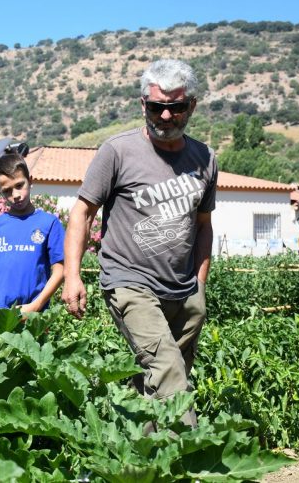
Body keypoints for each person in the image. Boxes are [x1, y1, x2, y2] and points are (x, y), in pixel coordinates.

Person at [62, 59, 217, 429]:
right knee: (169, 374)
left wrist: (200, 286)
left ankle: (133, 451)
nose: (165, 115)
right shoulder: (117, 151)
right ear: (142, 104)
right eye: (156, 106)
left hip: (184, 290)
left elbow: (204, 225)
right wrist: (73, 276)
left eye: (176, 107)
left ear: (191, 105)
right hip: (130, 282)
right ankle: (190, 458)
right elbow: (81, 213)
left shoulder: (205, 158)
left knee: (156, 380)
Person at [0, 153, 65, 313]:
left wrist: (36, 306)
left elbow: (60, 269)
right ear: (0, 193)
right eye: (7, 191)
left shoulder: (49, 223)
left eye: (19, 185)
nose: (15, 195)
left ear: (30, 181)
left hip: (33, 315)